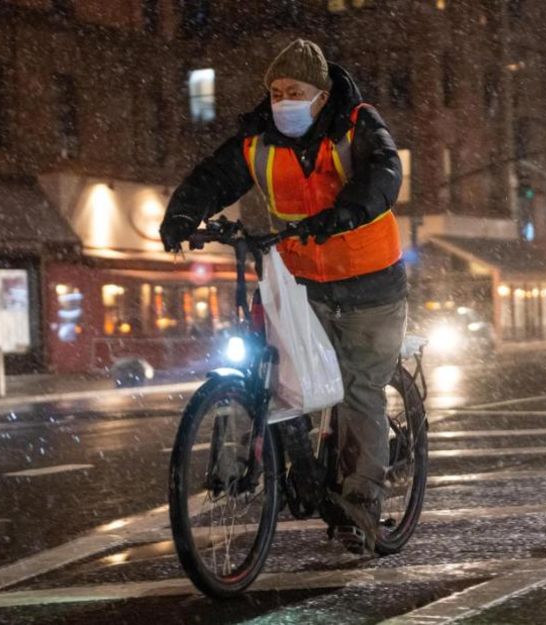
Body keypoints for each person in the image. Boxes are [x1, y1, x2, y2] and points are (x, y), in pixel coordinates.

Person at [160, 39, 406, 554]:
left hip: (369, 284)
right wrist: (182, 215)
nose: (282, 101)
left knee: (360, 393)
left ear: (320, 96)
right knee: (274, 371)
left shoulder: (356, 123)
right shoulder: (257, 141)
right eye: (275, 91)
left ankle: (359, 512)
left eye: (294, 91)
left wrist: (346, 212)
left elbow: (384, 173)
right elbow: (214, 176)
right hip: (299, 282)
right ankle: (260, 469)